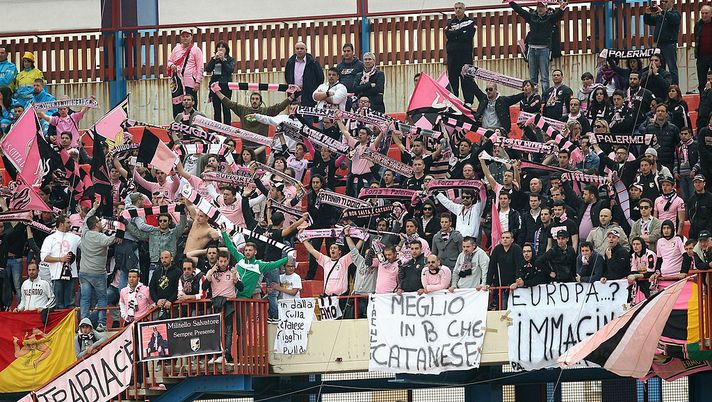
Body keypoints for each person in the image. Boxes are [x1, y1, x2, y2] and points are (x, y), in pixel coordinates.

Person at [79, 199, 120, 331]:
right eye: (98, 221)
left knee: (85, 299)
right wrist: (121, 228)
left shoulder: (84, 232)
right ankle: (102, 323)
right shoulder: (101, 238)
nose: (100, 223)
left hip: (84, 273)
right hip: (98, 274)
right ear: (96, 225)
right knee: (102, 298)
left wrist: (94, 208)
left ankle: (84, 323)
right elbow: (112, 239)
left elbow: (86, 220)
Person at [509, 1, 567, 93]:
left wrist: (562, 7)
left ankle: (545, 97)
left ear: (546, 8)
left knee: (544, 76)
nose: (540, 9)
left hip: (544, 49)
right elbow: (520, 11)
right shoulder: (532, 17)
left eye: (542, 7)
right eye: (538, 7)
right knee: (533, 77)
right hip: (532, 49)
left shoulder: (550, 18)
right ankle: (533, 96)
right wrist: (511, 3)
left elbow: (559, 14)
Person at [222, 230, 288, 298]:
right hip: (231, 296)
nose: (247, 252)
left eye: (250, 250)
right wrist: (223, 233)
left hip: (244, 299)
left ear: (255, 252)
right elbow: (230, 247)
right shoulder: (240, 258)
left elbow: (275, 264)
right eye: (246, 250)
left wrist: (289, 258)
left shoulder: (259, 265)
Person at [206, 250, 243, 363]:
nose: (222, 263)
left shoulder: (233, 272)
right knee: (215, 330)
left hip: (228, 304)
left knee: (228, 330)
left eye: (224, 261)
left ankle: (226, 354)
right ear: (217, 261)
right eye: (220, 261)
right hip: (216, 304)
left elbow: (241, 288)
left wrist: (235, 278)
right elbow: (203, 287)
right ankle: (215, 355)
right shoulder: (211, 272)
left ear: (228, 261)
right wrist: (210, 273)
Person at [40, 214, 81, 309]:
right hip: (56, 275)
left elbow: (87, 245)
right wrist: (60, 259)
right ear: (61, 224)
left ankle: (70, 323)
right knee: (58, 305)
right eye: (68, 222)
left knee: (70, 304)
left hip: (72, 275)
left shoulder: (74, 237)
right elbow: (44, 257)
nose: (70, 224)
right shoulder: (50, 238)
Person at [167, 28, 204, 117]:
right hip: (177, 83)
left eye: (187, 36)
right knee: (177, 105)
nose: (185, 38)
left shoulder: (196, 50)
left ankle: (192, 124)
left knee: (191, 105)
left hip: (190, 82)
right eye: (183, 36)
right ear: (180, 38)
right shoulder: (176, 49)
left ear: (191, 37)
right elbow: (169, 61)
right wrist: (172, 65)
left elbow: (200, 67)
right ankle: (178, 125)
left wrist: (198, 82)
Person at [445, 2, 476, 105]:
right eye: (456, 8)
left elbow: (468, 36)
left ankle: (468, 102)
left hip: (465, 55)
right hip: (452, 56)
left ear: (464, 9)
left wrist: (455, 34)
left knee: (466, 77)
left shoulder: (470, 22)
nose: (457, 10)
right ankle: (454, 101)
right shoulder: (450, 22)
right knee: (453, 78)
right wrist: (461, 32)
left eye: (460, 8)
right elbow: (448, 34)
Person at [644, 0, 681, 84]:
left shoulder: (675, 13)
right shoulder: (660, 15)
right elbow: (649, 21)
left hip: (669, 44)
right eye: (663, 1)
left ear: (672, 2)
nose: (664, 3)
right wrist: (647, 14)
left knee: (672, 67)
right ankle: (662, 85)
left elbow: (673, 19)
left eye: (666, 1)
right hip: (659, 44)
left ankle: (674, 86)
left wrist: (663, 12)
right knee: (660, 67)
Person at [285, 42, 324, 108]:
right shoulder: (290, 62)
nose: (299, 50)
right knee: (294, 116)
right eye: (297, 48)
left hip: (309, 95)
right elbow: (287, 77)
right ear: (295, 50)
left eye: (302, 48)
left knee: (308, 117)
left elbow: (320, 78)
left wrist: (312, 88)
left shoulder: (313, 62)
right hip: (294, 95)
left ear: (306, 50)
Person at [205, 41, 236, 124]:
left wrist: (223, 60)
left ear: (226, 49)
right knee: (216, 108)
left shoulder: (230, 59)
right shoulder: (214, 59)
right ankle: (217, 129)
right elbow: (208, 69)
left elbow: (230, 70)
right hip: (215, 86)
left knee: (226, 107)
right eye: (219, 47)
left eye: (223, 47)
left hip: (226, 86)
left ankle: (227, 128)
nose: (220, 48)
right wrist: (214, 59)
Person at [149, 251, 181, 320]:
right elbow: (151, 288)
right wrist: (157, 300)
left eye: (166, 257)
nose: (164, 260)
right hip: (159, 306)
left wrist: (170, 301)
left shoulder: (177, 272)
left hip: (173, 305)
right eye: (162, 258)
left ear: (171, 258)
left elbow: (179, 288)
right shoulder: (156, 272)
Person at [687, 175, 712, 240]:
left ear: (704, 183)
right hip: (694, 234)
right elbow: (689, 216)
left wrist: (708, 231)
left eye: (700, 182)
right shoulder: (691, 200)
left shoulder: (710, 198)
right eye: (696, 182)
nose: (697, 184)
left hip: (708, 233)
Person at [695, 5, 712, 93]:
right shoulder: (698, 25)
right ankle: (703, 103)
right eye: (702, 13)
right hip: (701, 57)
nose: (704, 15)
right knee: (702, 82)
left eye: (706, 13)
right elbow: (696, 38)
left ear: (711, 14)